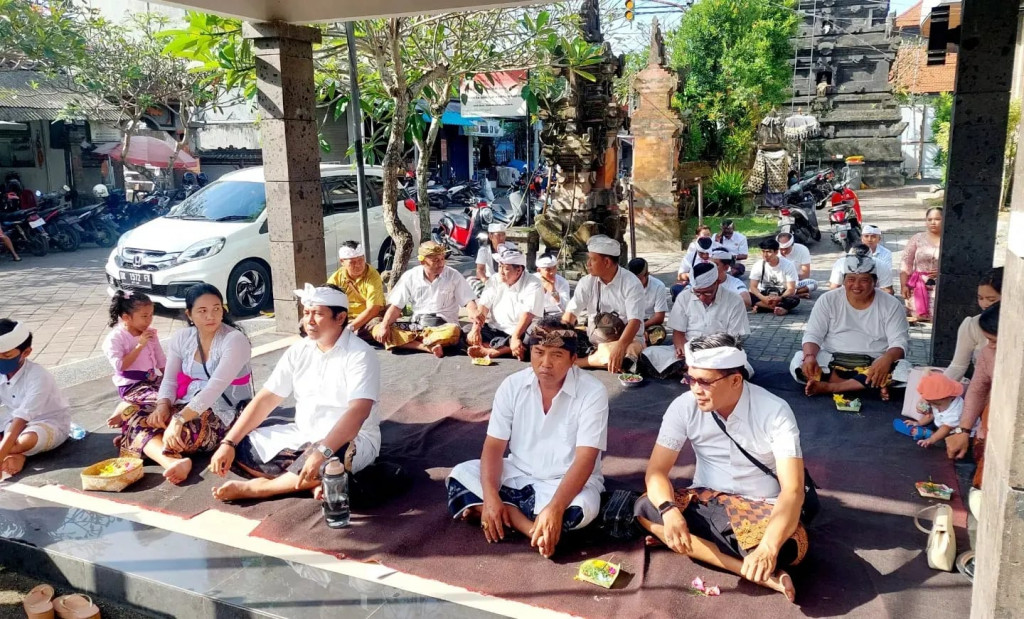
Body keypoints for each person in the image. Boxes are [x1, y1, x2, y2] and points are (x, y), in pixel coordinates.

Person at [635, 334, 805, 602]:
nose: (695, 389)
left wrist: (769, 548)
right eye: (690, 378)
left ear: (736, 380)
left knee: (788, 548)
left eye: (705, 382)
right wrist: (669, 512)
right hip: (706, 500)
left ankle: (694, 544)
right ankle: (759, 573)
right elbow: (656, 472)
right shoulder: (683, 407)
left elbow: (793, 490)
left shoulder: (775, 411)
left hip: (761, 507)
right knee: (646, 508)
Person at [446, 320, 608, 558]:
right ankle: (532, 528)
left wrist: (555, 507)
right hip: (517, 473)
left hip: (564, 483)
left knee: (580, 511)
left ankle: (497, 513)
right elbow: (493, 447)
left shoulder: (593, 392)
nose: (545, 363)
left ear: (574, 359)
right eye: (539, 352)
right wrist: (491, 497)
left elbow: (586, 459)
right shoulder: (512, 385)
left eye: (557, 355)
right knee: (460, 475)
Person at [211, 284, 381, 501]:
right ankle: (307, 482)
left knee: (333, 459)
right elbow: (266, 399)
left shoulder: (360, 355)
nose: (308, 320)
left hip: (349, 440)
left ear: (340, 318)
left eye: (318, 314)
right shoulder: (299, 350)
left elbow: (358, 413)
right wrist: (229, 443)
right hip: (302, 435)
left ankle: (261, 488)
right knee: (239, 444)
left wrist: (322, 452)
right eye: (306, 313)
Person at [110, 284, 253, 485]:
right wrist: (162, 407)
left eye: (216, 308)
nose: (211, 316)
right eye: (202, 311)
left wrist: (177, 420)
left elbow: (215, 388)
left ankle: (144, 443)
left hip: (225, 409)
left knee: (178, 434)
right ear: (189, 314)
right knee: (139, 416)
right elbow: (169, 379)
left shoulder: (234, 340)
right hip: (186, 402)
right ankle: (170, 461)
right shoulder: (182, 337)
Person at [794, 252, 910, 400]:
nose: (856, 285)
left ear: (875, 282)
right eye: (851, 279)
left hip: (874, 363)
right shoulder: (828, 300)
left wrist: (886, 359)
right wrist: (809, 357)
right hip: (832, 361)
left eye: (864, 280)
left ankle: (833, 387)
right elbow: (813, 335)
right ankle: (867, 385)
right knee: (799, 360)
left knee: (903, 369)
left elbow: (900, 342)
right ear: (844, 281)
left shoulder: (891, 304)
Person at [372, 240, 477, 358]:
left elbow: (469, 301)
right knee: (377, 329)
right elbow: (396, 306)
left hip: (443, 327)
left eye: (442, 259)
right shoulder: (410, 276)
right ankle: (427, 347)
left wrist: (474, 319)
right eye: (435, 260)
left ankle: (415, 342)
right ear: (422, 261)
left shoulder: (453, 275)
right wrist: (384, 325)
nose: (441, 263)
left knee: (453, 332)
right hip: (417, 326)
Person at [562, 235, 645, 373]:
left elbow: (634, 322)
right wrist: (561, 336)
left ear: (606, 262)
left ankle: (578, 362)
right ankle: (605, 359)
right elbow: (571, 313)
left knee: (630, 351)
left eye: (592, 259)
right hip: (594, 340)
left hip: (627, 340)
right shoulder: (586, 282)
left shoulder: (632, 283)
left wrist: (620, 346)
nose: (587, 264)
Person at [0, 320, 71, 477]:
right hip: (11, 424)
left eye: (6, 355)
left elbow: (22, 419)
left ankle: (18, 453)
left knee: (23, 441)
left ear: (25, 353)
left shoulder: (38, 376)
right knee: (10, 438)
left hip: (48, 424)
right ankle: (13, 453)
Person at [945, 302, 999, 474]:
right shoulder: (988, 353)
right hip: (991, 423)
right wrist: (963, 430)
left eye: (993, 341)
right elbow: (977, 390)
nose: (989, 345)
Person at [466, 248, 544, 360]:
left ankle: (495, 351)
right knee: (466, 331)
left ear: (519, 270)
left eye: (506, 268)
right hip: (496, 328)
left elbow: (528, 315)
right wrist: (476, 329)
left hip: (521, 330)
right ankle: (504, 348)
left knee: (535, 338)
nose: (501, 272)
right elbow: (483, 306)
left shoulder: (534, 284)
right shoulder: (495, 279)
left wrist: (515, 337)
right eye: (499, 267)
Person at [669, 263, 749, 359]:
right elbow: (678, 332)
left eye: (707, 292)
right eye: (697, 293)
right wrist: (683, 350)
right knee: (652, 354)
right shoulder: (684, 297)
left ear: (717, 282)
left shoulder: (735, 301)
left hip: (720, 352)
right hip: (688, 350)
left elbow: (733, 340)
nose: (702, 298)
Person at [103, 291, 166, 410]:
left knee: (178, 394)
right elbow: (120, 365)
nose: (149, 320)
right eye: (144, 316)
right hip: (131, 386)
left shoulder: (150, 332)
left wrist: (171, 379)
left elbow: (160, 359)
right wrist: (139, 346)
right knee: (161, 402)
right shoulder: (115, 338)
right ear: (126, 317)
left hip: (151, 380)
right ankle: (124, 408)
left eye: (151, 315)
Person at [943, 268, 1001, 381]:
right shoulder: (972, 325)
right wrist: (937, 389)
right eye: (980, 298)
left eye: (991, 299)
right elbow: (958, 366)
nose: (985, 304)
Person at [327, 241, 386, 340]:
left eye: (361, 260)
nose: (358, 265)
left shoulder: (373, 275)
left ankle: (351, 334)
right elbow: (326, 301)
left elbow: (373, 309)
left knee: (376, 328)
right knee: (305, 325)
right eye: (352, 262)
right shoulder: (336, 277)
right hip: (344, 319)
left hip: (367, 319)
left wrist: (350, 328)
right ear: (342, 262)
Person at [902, 373, 967, 449]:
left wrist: (931, 439)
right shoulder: (940, 403)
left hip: (958, 430)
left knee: (945, 440)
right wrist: (918, 423)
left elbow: (945, 428)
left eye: (937, 404)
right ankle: (931, 432)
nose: (934, 406)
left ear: (951, 397)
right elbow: (932, 414)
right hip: (942, 424)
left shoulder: (955, 411)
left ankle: (929, 433)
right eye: (931, 403)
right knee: (934, 426)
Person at [900, 207, 942, 322]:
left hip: (942, 285)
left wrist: (942, 272)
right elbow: (906, 263)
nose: (933, 222)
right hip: (918, 285)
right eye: (929, 219)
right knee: (918, 316)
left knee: (938, 316)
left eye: (937, 219)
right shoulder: (917, 238)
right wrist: (904, 285)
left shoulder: (951, 240)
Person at [828, 227, 894, 293]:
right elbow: (834, 288)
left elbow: (887, 291)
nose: (869, 239)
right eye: (866, 236)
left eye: (873, 236)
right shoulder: (841, 263)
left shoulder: (882, 264)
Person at [749, 239, 800, 315]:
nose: (765, 255)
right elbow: (753, 287)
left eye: (769, 252)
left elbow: (791, 289)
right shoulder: (758, 265)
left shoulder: (788, 265)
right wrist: (763, 298)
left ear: (776, 252)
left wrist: (780, 298)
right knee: (746, 295)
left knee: (794, 298)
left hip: (781, 295)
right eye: (763, 251)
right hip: (764, 295)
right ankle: (781, 308)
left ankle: (761, 306)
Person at [628, 257, 669, 345]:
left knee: (659, 333)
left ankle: (636, 341)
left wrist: (640, 328)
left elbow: (659, 317)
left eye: (638, 280)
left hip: (646, 323)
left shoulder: (658, 286)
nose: (634, 283)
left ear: (647, 274)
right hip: (628, 323)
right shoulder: (625, 284)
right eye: (632, 279)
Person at [776, 233, 817, 298]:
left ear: (792, 245)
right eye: (781, 249)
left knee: (813, 284)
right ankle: (793, 294)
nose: (783, 251)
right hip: (779, 282)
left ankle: (789, 293)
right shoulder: (774, 252)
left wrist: (791, 278)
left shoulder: (802, 250)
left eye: (786, 248)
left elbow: (806, 274)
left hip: (796, 281)